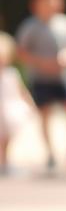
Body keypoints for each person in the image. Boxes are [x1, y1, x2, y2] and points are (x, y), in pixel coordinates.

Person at [16, 0, 66, 173]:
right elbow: (21, 52)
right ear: (36, 3)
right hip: (41, 78)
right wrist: (41, 62)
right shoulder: (30, 26)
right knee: (45, 116)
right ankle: (50, 154)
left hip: (64, 78)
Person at [0, 31, 38, 175]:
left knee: (6, 139)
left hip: (9, 110)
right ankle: (3, 161)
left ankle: (4, 161)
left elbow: (22, 90)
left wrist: (30, 103)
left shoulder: (12, 73)